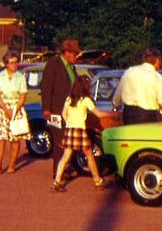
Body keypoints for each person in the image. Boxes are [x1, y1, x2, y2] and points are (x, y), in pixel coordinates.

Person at [51, 75, 110, 192]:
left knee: (65, 156)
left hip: (70, 130)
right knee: (89, 155)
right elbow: (98, 114)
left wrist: (68, 122)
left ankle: (57, 182)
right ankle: (98, 180)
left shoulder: (69, 98)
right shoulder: (86, 100)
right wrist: (111, 115)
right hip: (80, 130)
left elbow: (63, 113)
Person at [41, 38, 81, 177]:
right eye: (75, 54)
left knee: (66, 139)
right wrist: (46, 109)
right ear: (67, 52)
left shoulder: (72, 68)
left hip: (69, 111)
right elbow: (46, 87)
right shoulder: (53, 64)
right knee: (59, 141)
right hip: (55, 109)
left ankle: (65, 167)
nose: (76, 57)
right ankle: (57, 172)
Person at [112, 47, 162, 124]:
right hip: (147, 115)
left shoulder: (129, 72)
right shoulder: (156, 77)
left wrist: (115, 107)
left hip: (128, 114)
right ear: (157, 60)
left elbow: (118, 93)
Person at [0, 50, 29, 173]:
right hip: (3, 108)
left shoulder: (21, 77)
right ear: (6, 64)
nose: (15, 65)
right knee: (1, 137)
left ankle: (12, 164)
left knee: (15, 138)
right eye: (12, 63)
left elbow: (23, 95)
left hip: (16, 108)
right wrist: (5, 109)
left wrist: (14, 110)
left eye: (16, 62)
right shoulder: (0, 76)